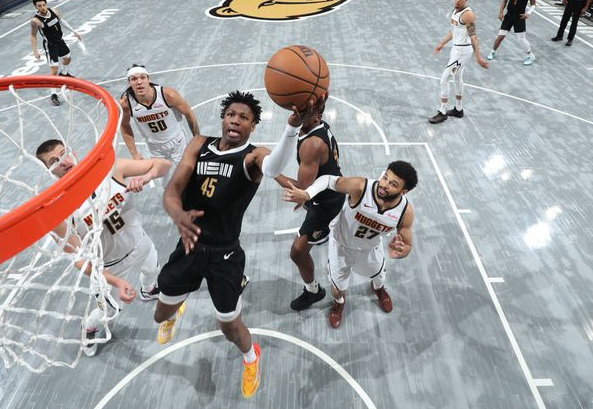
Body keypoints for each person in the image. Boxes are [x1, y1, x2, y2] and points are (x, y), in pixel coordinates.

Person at [155, 91, 319, 399]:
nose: (235, 120)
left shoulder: (253, 157)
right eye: (231, 114)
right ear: (223, 118)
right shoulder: (198, 144)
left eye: (244, 118)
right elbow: (173, 190)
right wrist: (178, 214)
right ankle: (176, 309)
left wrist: (292, 128)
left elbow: (271, 167)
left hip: (224, 256)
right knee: (160, 315)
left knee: (229, 329)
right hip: (189, 247)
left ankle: (252, 357)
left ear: (253, 126)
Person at [35, 139, 169, 356]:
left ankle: (147, 290)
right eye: (54, 161)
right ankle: (89, 328)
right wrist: (116, 280)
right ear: (48, 171)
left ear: (74, 151)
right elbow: (80, 261)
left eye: (64, 153)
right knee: (109, 311)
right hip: (110, 267)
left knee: (153, 270)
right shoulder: (56, 211)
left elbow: (163, 164)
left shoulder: (111, 170)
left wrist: (146, 177)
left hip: (139, 243)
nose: (63, 161)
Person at [282, 161, 417, 328]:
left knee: (379, 276)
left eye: (392, 184)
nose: (384, 184)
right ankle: (339, 302)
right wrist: (307, 194)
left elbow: (407, 245)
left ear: (404, 192)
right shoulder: (360, 187)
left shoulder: (405, 212)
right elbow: (328, 180)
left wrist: (401, 251)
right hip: (342, 246)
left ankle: (378, 289)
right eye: (385, 177)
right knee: (337, 289)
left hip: (370, 249)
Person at [274, 101, 344, 311]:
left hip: (326, 205)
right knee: (307, 207)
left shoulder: (311, 144)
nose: (298, 110)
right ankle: (321, 235)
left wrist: (270, 171)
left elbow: (301, 191)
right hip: (327, 190)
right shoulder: (319, 127)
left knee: (297, 252)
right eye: (299, 107)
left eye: (306, 110)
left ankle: (313, 291)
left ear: (317, 116)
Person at [119, 64, 200, 168]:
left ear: (149, 79)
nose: (139, 82)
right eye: (133, 79)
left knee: (187, 175)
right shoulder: (126, 104)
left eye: (142, 77)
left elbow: (189, 114)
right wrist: (134, 154)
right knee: (164, 182)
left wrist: (196, 138)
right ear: (129, 83)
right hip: (155, 148)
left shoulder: (168, 95)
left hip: (178, 143)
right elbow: (124, 125)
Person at [429, 0, 489, 124]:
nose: (458, 0)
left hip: (462, 51)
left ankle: (442, 112)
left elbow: (473, 37)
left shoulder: (468, 15)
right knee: (457, 77)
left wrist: (478, 57)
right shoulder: (455, 11)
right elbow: (453, 31)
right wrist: (441, 43)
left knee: (444, 79)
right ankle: (458, 109)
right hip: (456, 49)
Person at [29, 0, 82, 106]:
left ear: (46, 4)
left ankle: (64, 74)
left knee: (68, 57)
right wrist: (35, 51)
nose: (43, 7)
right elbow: (33, 36)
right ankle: (53, 95)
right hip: (50, 45)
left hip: (60, 41)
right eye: (39, 6)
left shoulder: (54, 11)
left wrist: (74, 31)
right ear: (36, 7)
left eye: (44, 5)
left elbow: (62, 21)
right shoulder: (36, 21)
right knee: (54, 69)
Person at [487, 0, 537, 65]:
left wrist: (528, 13)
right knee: (500, 36)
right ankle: (492, 51)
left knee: (521, 39)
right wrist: (501, 12)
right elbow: (504, 1)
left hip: (520, 17)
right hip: (509, 16)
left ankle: (531, 56)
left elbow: (533, 4)